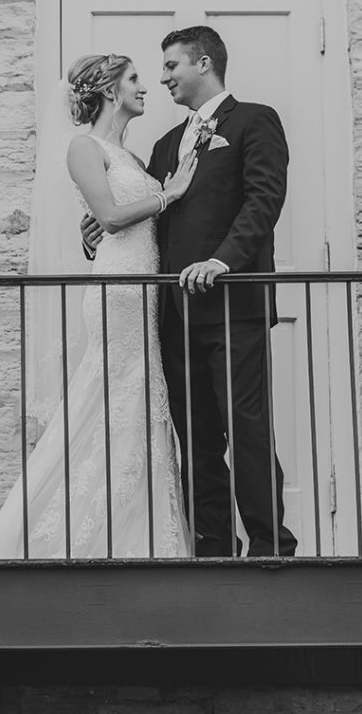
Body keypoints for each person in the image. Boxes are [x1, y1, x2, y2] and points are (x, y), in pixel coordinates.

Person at [0, 53, 196, 560]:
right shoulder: (83, 146)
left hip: (142, 290)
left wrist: (160, 197)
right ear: (109, 90)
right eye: (133, 79)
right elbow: (107, 217)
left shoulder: (128, 155)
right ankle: (45, 529)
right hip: (119, 290)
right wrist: (170, 196)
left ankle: (134, 533)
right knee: (110, 396)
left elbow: (116, 219)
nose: (144, 87)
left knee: (136, 404)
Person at [84, 27, 297, 558]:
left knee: (245, 427)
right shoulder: (162, 146)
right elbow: (148, 214)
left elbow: (264, 200)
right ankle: (214, 547)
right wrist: (96, 227)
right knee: (197, 438)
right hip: (173, 314)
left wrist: (222, 261)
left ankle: (271, 545)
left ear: (203, 63)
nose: (162, 78)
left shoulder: (254, 121)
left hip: (233, 306)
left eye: (172, 66)